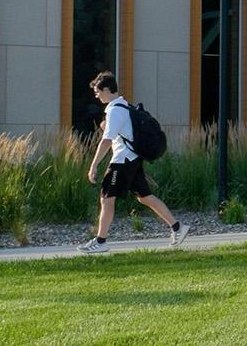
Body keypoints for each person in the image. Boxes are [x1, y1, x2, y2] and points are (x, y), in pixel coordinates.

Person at [78, 71, 189, 253]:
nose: (96, 95)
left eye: (98, 91)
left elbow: (106, 141)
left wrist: (93, 165)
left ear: (106, 89)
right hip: (133, 159)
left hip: (121, 161)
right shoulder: (124, 106)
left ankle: (100, 241)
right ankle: (177, 228)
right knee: (145, 197)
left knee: (106, 199)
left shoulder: (114, 110)